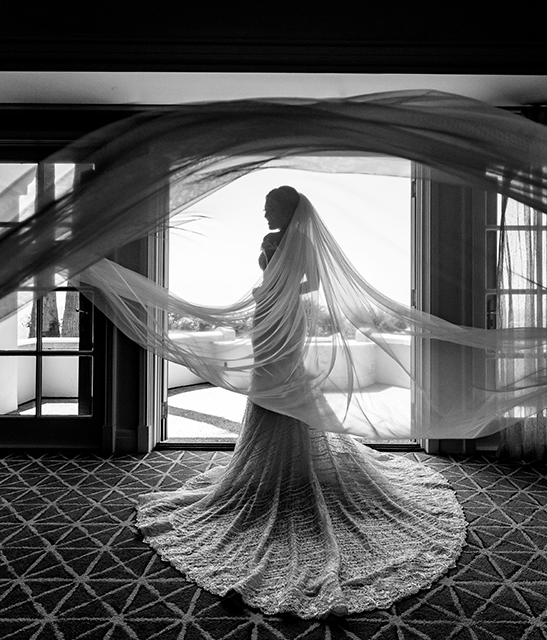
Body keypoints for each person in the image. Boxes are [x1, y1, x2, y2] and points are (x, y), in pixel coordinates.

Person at [134, 187, 467, 619]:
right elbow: (304, 282)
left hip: (277, 321)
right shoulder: (297, 242)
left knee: (279, 389)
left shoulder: (278, 242)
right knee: (278, 388)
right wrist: (279, 291)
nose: (264, 211)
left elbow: (284, 280)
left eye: (270, 206)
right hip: (279, 320)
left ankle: (285, 469)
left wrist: (273, 288)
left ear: (285, 209)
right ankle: (285, 466)